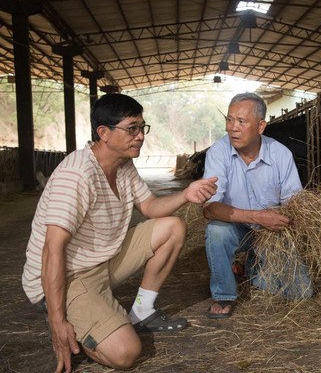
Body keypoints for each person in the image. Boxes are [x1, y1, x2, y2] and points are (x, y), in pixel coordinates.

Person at [21, 93, 218, 372]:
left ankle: (142, 311)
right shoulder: (77, 174)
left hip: (104, 259)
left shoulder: (123, 165)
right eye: (131, 129)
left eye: (142, 128)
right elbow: (51, 249)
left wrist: (186, 194)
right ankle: (75, 318)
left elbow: (150, 207)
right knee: (125, 353)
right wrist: (57, 321)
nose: (139, 136)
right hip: (68, 276)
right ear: (104, 133)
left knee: (173, 226)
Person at [202, 92, 313, 319]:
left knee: (302, 292)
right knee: (216, 232)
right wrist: (257, 217)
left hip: (271, 232)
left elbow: (295, 204)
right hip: (236, 227)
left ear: (261, 126)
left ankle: (253, 269)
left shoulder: (280, 154)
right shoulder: (218, 153)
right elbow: (209, 208)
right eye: (230, 120)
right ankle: (224, 294)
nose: (233, 128)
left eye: (242, 122)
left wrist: (280, 222)